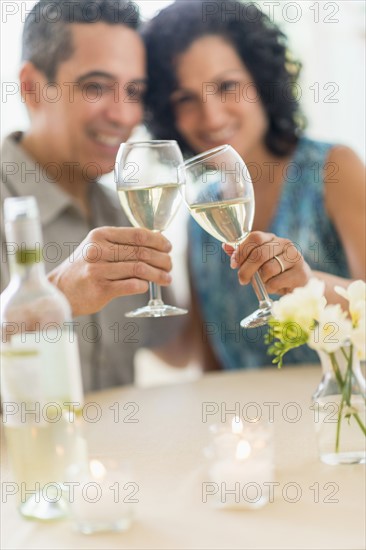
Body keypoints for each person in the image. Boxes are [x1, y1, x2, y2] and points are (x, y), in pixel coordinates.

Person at [142, 0, 366, 370]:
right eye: (186, 99)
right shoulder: (200, 218)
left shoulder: (333, 169)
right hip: (256, 425)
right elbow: (209, 364)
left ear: (262, 81)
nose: (212, 116)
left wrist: (307, 284)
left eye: (227, 86)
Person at [0, 0, 182, 391]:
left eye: (134, 91)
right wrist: (54, 298)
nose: (123, 115)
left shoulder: (122, 208)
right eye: (96, 87)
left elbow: (179, 345)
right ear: (32, 88)